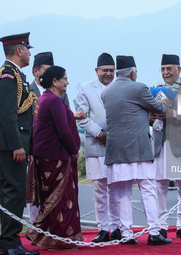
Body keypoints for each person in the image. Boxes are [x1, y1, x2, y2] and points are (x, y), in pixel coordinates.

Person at [101, 55, 172, 246]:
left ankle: (126, 233)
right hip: (138, 147)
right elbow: (158, 107)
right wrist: (164, 102)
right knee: (147, 188)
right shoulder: (139, 87)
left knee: (122, 192)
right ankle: (154, 232)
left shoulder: (106, 92)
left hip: (116, 148)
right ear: (132, 72)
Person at [0, 33, 40, 255]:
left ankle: (11, 242)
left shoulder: (15, 75)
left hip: (11, 141)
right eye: (27, 49)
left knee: (12, 191)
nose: (29, 53)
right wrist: (18, 146)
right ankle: (8, 243)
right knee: (14, 190)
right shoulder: (8, 76)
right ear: (19, 51)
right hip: (9, 143)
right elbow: (7, 114)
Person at [25, 66, 83, 250]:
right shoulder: (54, 101)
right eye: (64, 79)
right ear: (55, 81)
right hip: (55, 156)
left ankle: (51, 238)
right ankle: (59, 240)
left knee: (53, 198)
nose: (67, 82)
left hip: (46, 156)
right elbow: (63, 130)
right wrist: (74, 151)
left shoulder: (44, 99)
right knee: (61, 200)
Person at [151, 54, 181, 239]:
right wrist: (152, 117)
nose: (165, 72)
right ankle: (161, 224)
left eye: (169, 68)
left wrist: (172, 113)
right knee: (160, 185)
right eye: (163, 69)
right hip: (160, 142)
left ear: (179, 69)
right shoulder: (156, 89)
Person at [76, 52, 120, 242]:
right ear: (97, 70)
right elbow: (82, 116)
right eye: (105, 70)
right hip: (96, 145)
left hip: (117, 146)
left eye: (111, 70)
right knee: (100, 191)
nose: (108, 74)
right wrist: (100, 134)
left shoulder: (120, 87)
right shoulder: (85, 88)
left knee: (116, 189)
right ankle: (103, 229)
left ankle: (117, 228)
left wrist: (112, 135)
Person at [27, 51, 69, 224]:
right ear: (35, 71)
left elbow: (64, 120)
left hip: (53, 149)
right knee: (34, 190)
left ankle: (51, 227)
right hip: (30, 147)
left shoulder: (61, 93)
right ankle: (35, 228)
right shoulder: (26, 91)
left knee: (53, 190)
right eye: (45, 69)